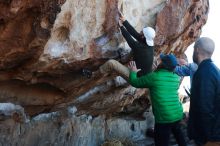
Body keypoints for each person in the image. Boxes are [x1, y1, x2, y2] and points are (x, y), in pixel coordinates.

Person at [129, 53, 186, 146]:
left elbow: (135, 82)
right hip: (177, 113)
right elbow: (163, 80)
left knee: (161, 142)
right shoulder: (176, 78)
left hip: (164, 117)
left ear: (162, 64)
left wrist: (133, 72)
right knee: (179, 135)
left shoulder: (154, 77)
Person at [187, 37, 220, 146]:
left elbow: (205, 109)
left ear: (197, 49)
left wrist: (207, 140)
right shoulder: (215, 70)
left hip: (208, 137)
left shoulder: (203, 73)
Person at [118, 11, 155, 77]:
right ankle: (124, 60)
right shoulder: (147, 43)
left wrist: (121, 27)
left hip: (137, 77)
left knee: (111, 63)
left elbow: (130, 40)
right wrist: (124, 21)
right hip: (143, 72)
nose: (140, 31)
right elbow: (134, 33)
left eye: (142, 32)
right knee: (135, 49)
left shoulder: (142, 48)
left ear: (143, 36)